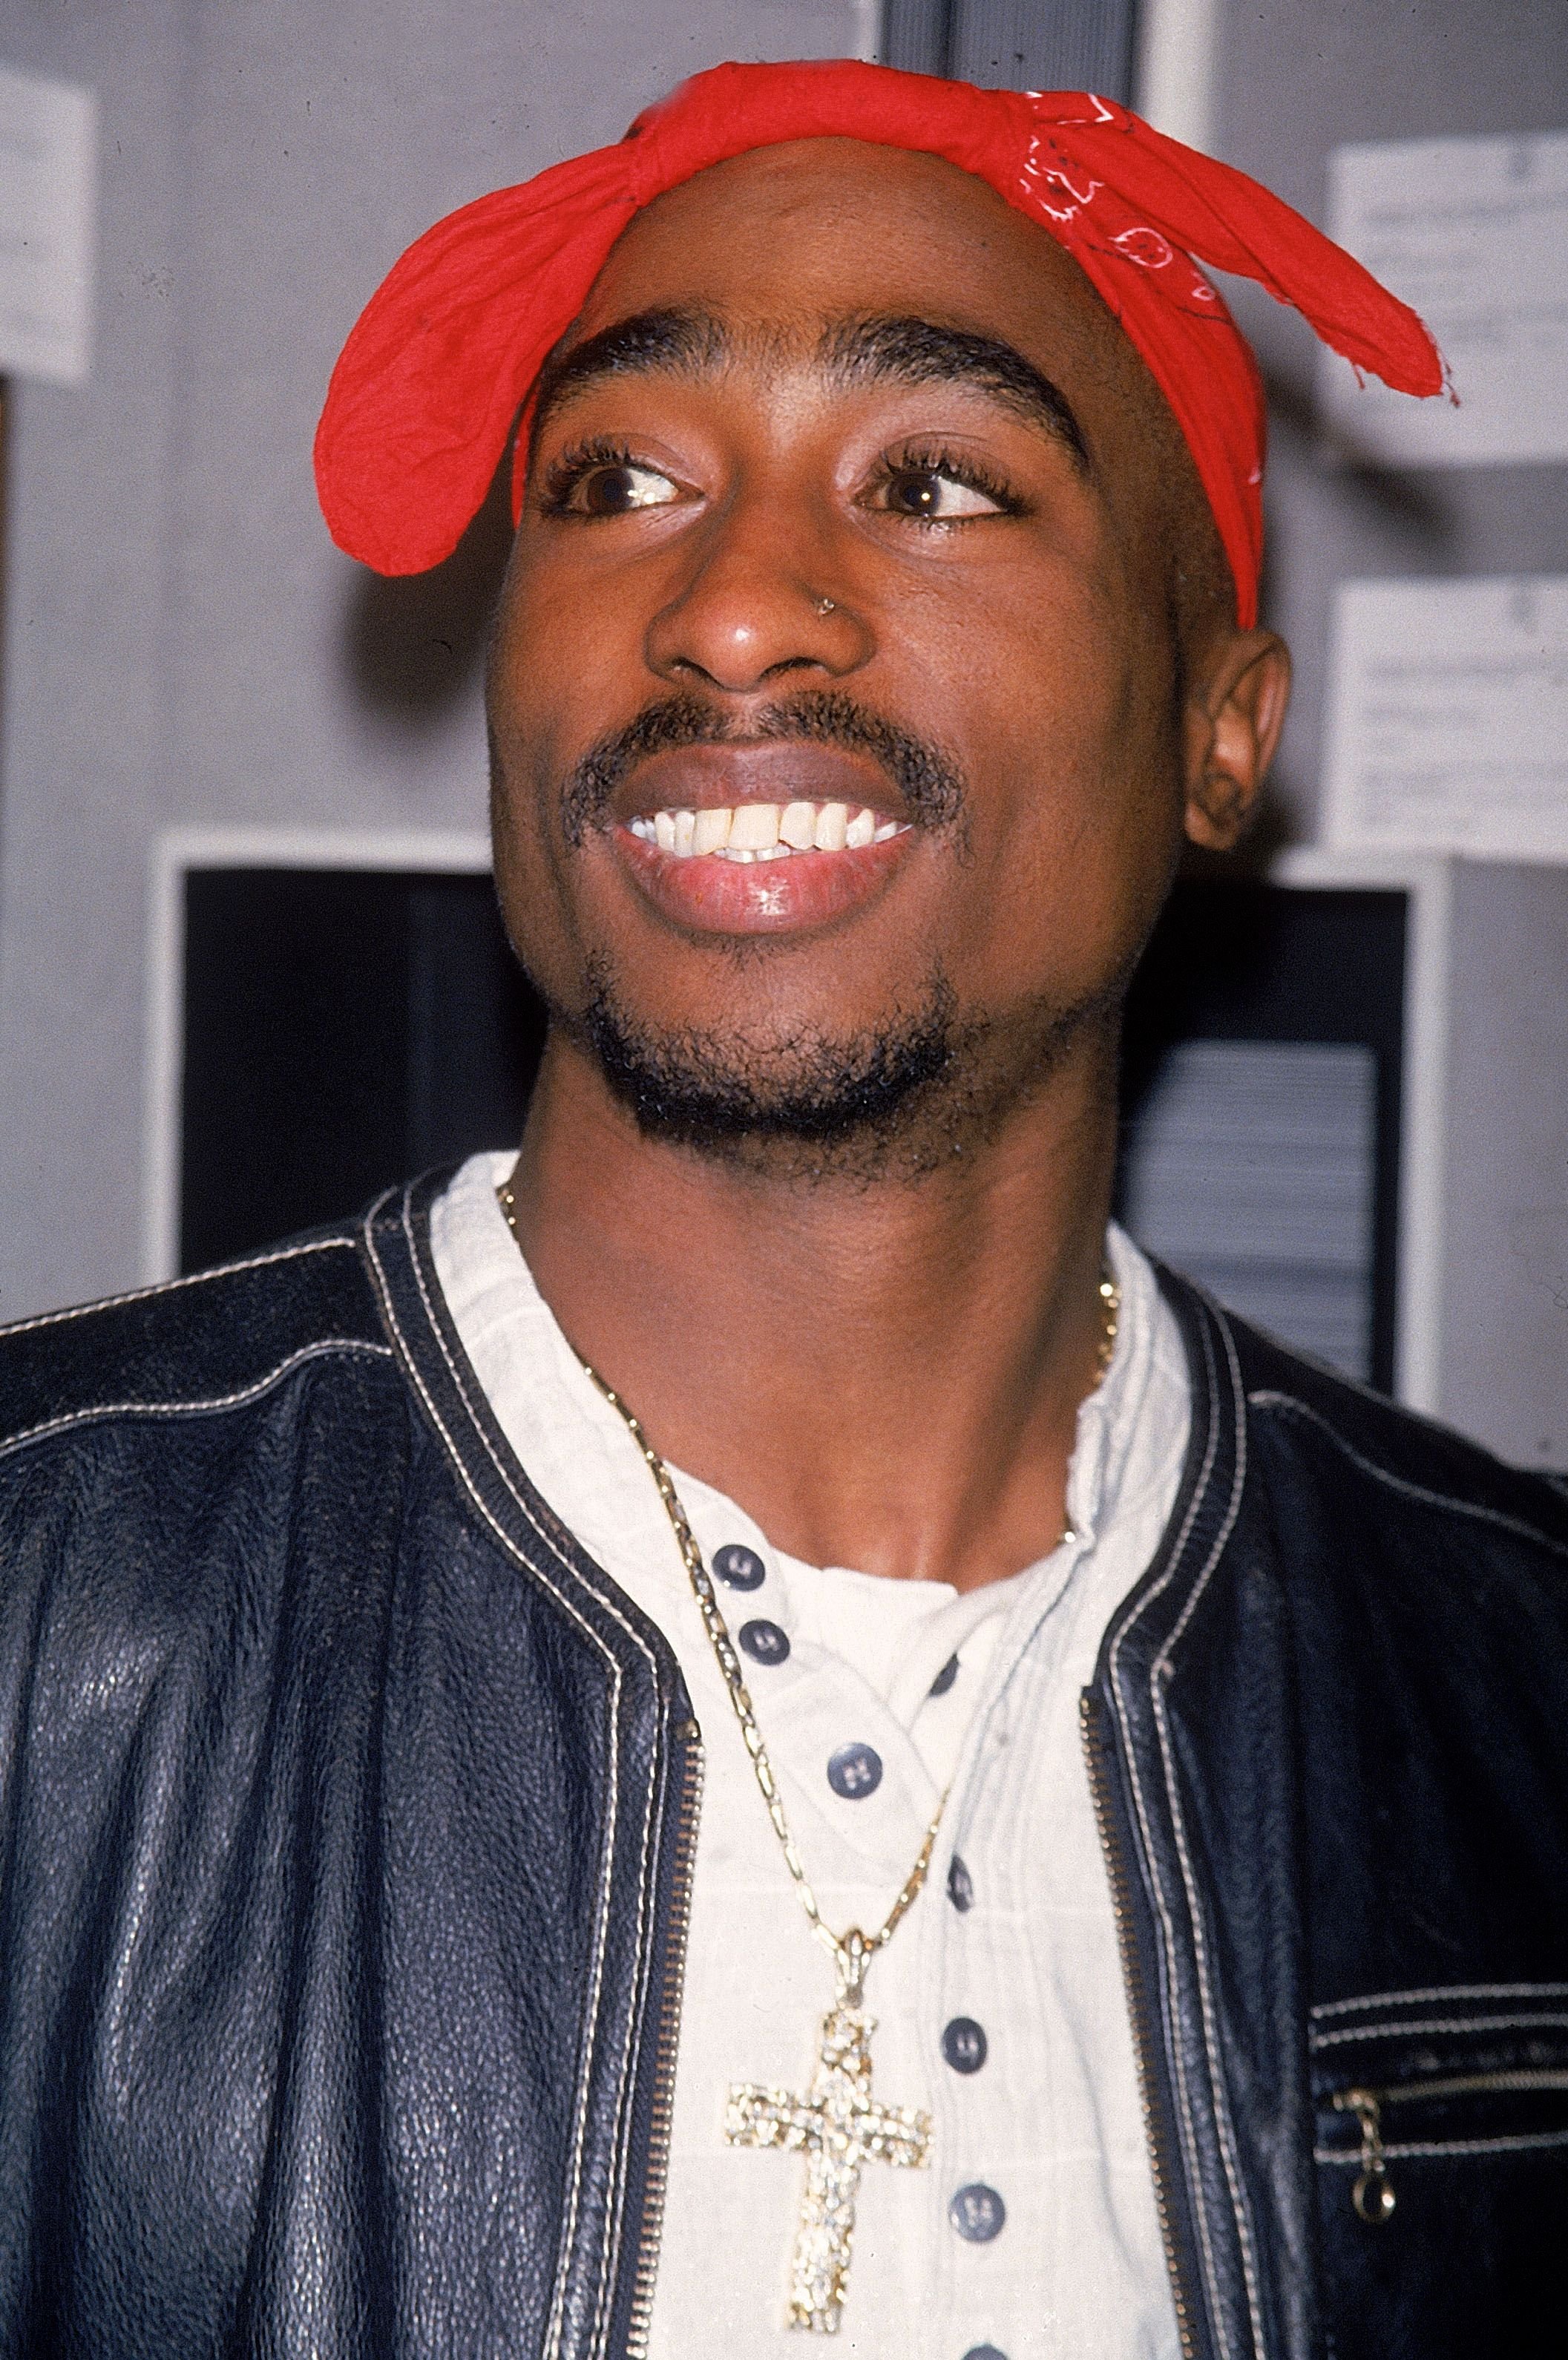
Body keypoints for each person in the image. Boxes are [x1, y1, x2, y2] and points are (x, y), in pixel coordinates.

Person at [1, 58, 1564, 2360]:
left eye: (935, 483)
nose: (732, 612)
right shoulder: (49, 1623)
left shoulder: (1513, 1683)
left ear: (1221, 731)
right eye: (615, 482)